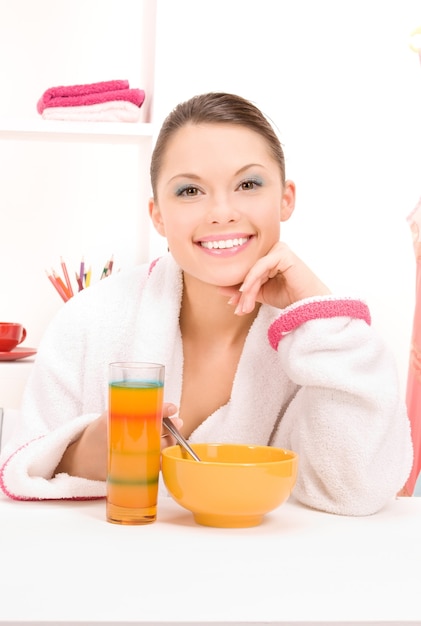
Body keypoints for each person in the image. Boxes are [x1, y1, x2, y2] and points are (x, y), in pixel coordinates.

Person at [0, 92, 413, 515]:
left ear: (285, 198)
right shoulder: (89, 319)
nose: (221, 212)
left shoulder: (321, 339)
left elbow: (356, 487)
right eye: (190, 190)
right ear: (157, 214)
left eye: (248, 184)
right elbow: (23, 467)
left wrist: (317, 311)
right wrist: (94, 448)